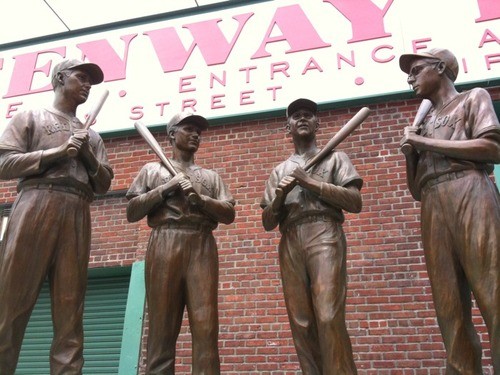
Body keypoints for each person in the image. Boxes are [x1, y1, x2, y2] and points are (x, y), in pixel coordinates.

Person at [0, 59, 113, 374]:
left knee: (70, 314)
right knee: (10, 306)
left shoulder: (93, 137)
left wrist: (87, 154)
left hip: (77, 210)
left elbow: (104, 184)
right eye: (82, 77)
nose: (88, 85)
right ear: (61, 78)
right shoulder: (31, 117)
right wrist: (58, 152)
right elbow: (4, 164)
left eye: (91, 80)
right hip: (36, 203)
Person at [399, 48, 500, 373]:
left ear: (440, 67)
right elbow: (416, 190)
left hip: (470, 189)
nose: (410, 77)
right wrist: (410, 152)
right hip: (432, 201)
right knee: (448, 305)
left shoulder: (473, 97)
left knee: (493, 291)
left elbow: (491, 148)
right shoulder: (423, 120)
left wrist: (425, 144)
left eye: (416, 69)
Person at [126, 111, 235, 375]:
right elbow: (132, 211)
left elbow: (229, 213)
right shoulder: (152, 170)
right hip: (165, 240)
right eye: (189, 129)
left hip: (201, 243)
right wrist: (166, 188)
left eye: (199, 131)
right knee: (162, 327)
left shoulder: (210, 177)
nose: (196, 134)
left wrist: (203, 201)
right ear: (172, 134)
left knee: (206, 326)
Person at [260, 98, 362, 374]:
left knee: (328, 316)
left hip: (324, 231)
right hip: (290, 237)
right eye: (295, 116)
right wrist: (279, 197)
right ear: (288, 126)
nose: (302, 118)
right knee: (301, 322)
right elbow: (268, 222)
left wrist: (311, 183)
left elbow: (355, 202)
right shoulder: (279, 170)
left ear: (317, 123)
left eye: (308, 115)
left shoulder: (335, 158)